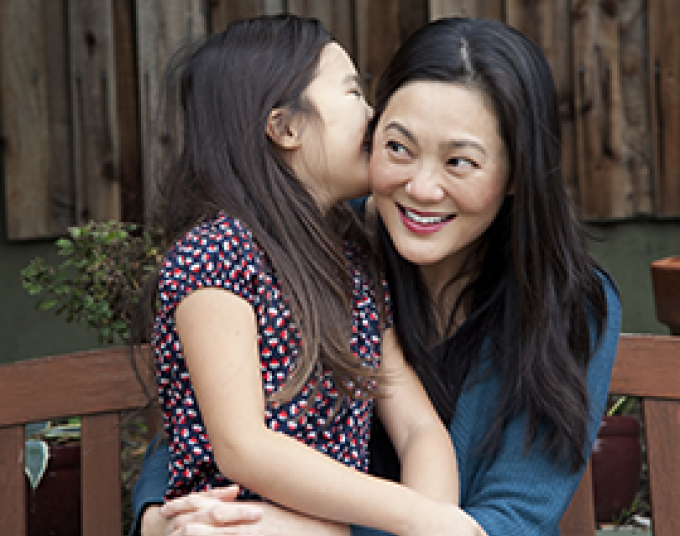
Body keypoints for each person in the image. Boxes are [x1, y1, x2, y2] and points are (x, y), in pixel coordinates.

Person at [131, 16, 621, 536]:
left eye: (460, 162)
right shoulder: (316, 250)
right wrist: (160, 519)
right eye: (398, 147)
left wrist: (323, 533)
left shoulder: (568, 303)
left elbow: (509, 518)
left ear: (517, 173)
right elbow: (206, 430)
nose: (422, 188)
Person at [142, 12, 465, 536]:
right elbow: (243, 447)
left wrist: (434, 520)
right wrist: (412, 515)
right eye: (353, 92)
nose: (374, 113)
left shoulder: (355, 263)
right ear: (286, 127)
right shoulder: (214, 256)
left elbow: (417, 428)